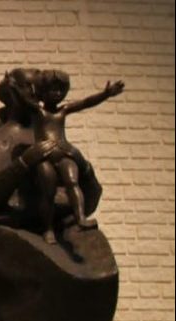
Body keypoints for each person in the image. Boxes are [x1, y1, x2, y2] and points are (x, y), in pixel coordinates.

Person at [16, 69, 124, 243]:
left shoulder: (63, 111)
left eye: (60, 90)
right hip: (44, 156)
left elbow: (86, 102)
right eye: (52, 90)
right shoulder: (39, 111)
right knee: (48, 190)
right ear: (42, 92)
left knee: (72, 181)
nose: (57, 94)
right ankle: (48, 229)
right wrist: (13, 86)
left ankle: (80, 217)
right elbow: (25, 100)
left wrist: (105, 94)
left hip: (64, 153)